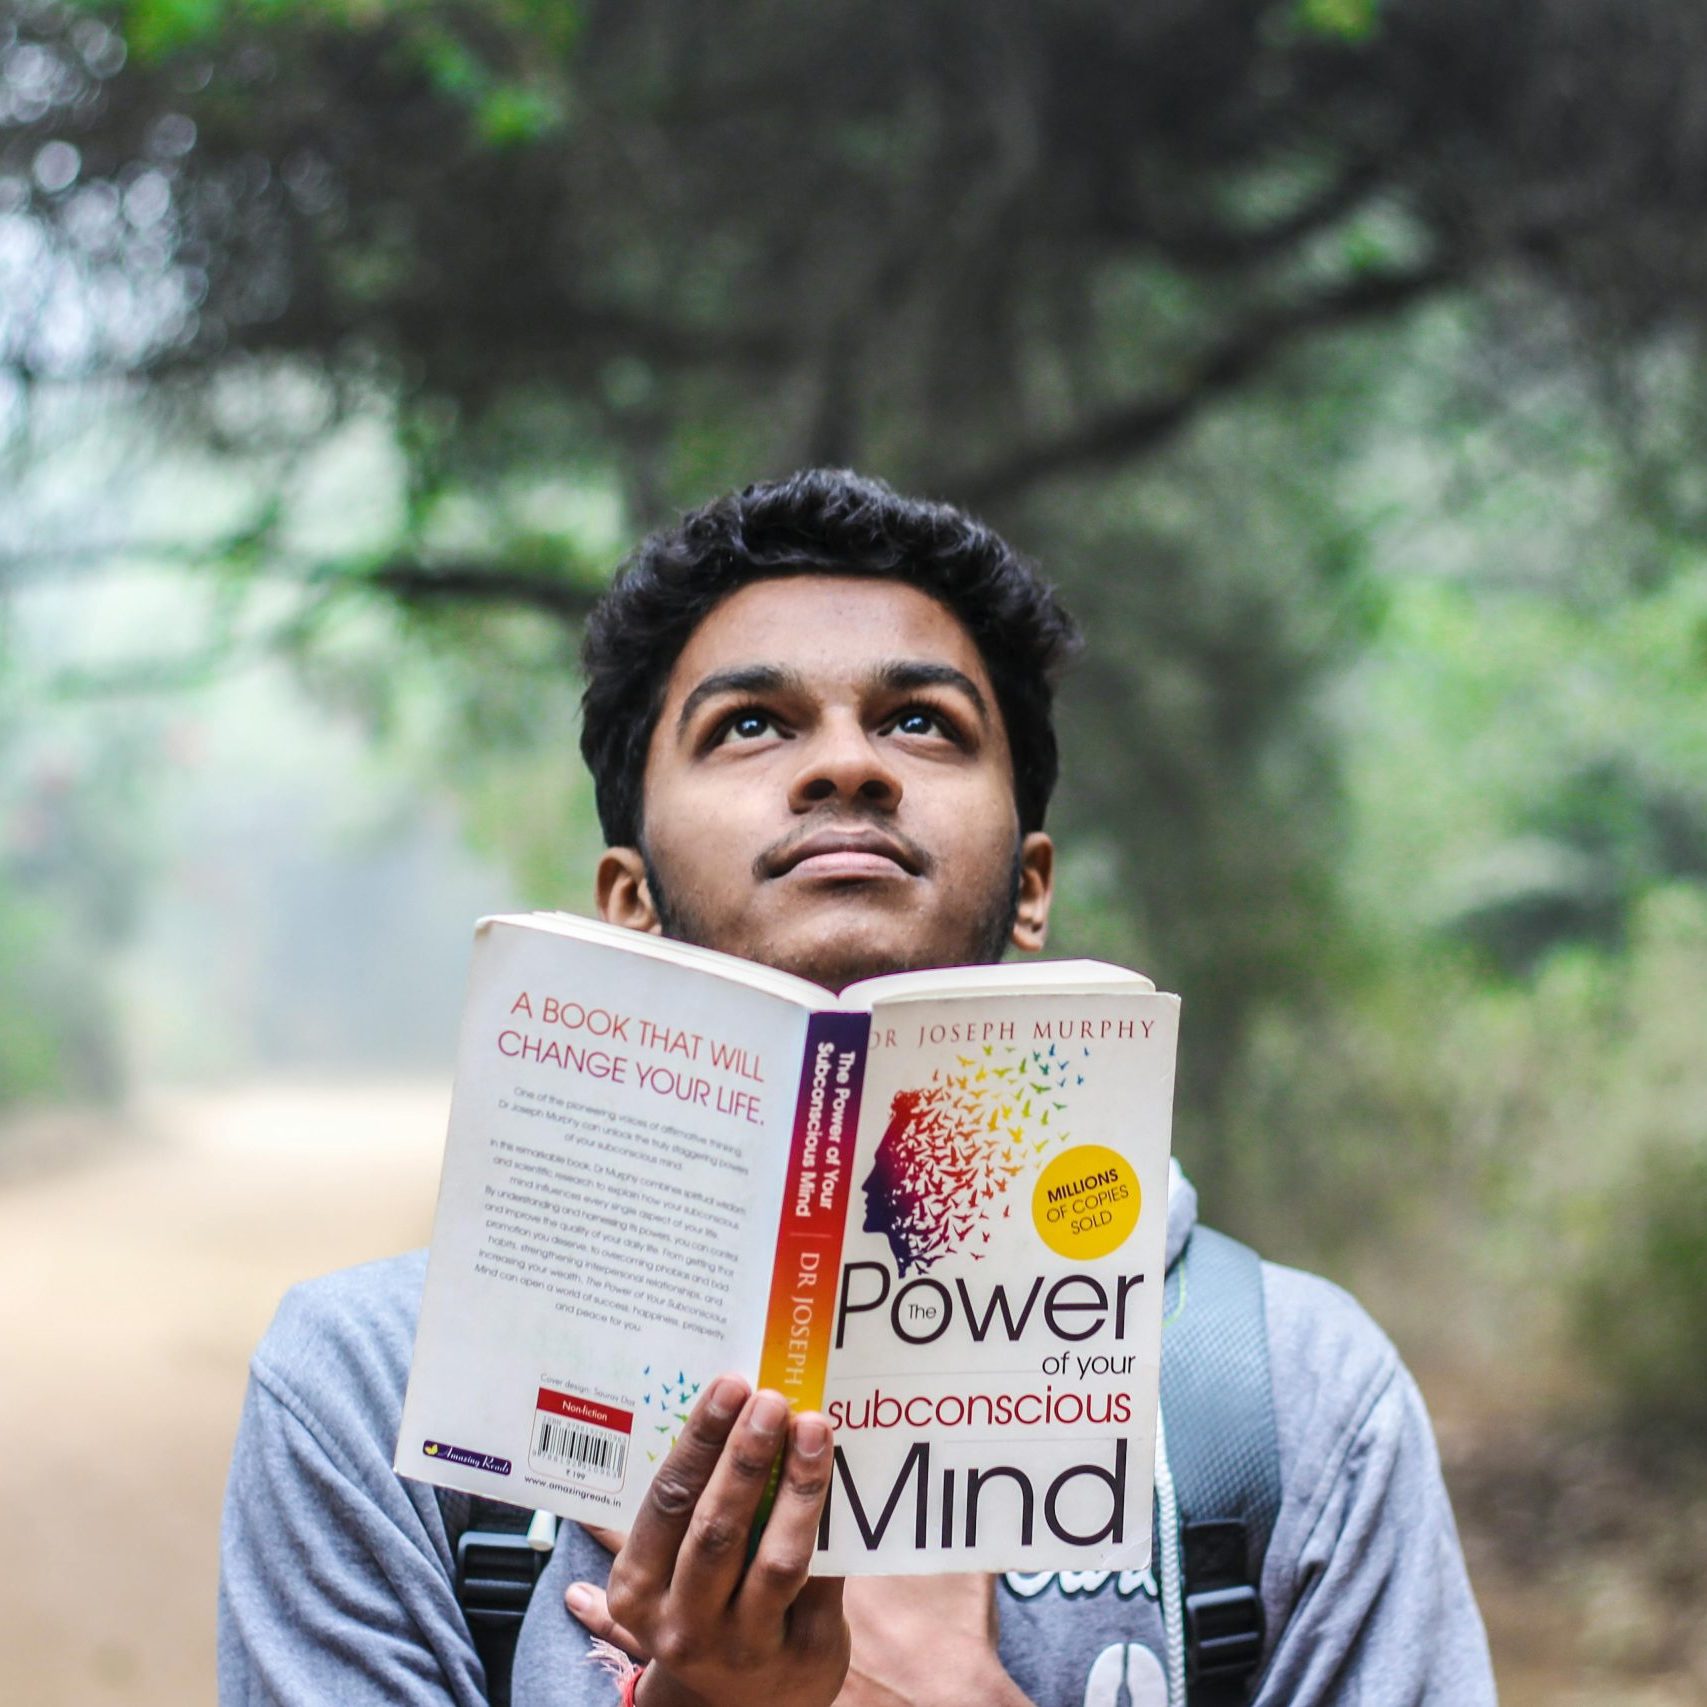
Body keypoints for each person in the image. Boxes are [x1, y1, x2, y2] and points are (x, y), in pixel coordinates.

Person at [219, 469, 1496, 1706]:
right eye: (751, 724)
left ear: (1032, 883)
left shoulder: (1295, 1396)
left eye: (922, 721)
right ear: (629, 904)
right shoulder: (377, 1398)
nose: (848, 766)